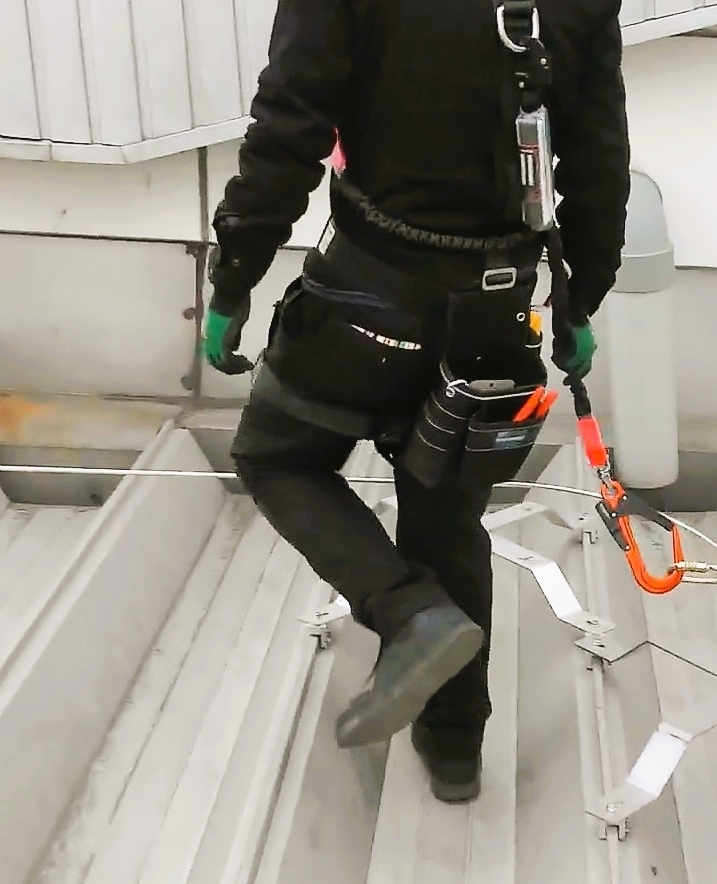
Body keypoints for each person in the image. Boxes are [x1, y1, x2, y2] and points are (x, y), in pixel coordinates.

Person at [201, 0, 630, 804]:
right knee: (445, 519)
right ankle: (455, 746)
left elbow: (289, 125)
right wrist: (578, 302)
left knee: (276, 458)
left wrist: (233, 275)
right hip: (497, 309)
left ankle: (407, 613)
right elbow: (597, 157)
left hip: (366, 296)